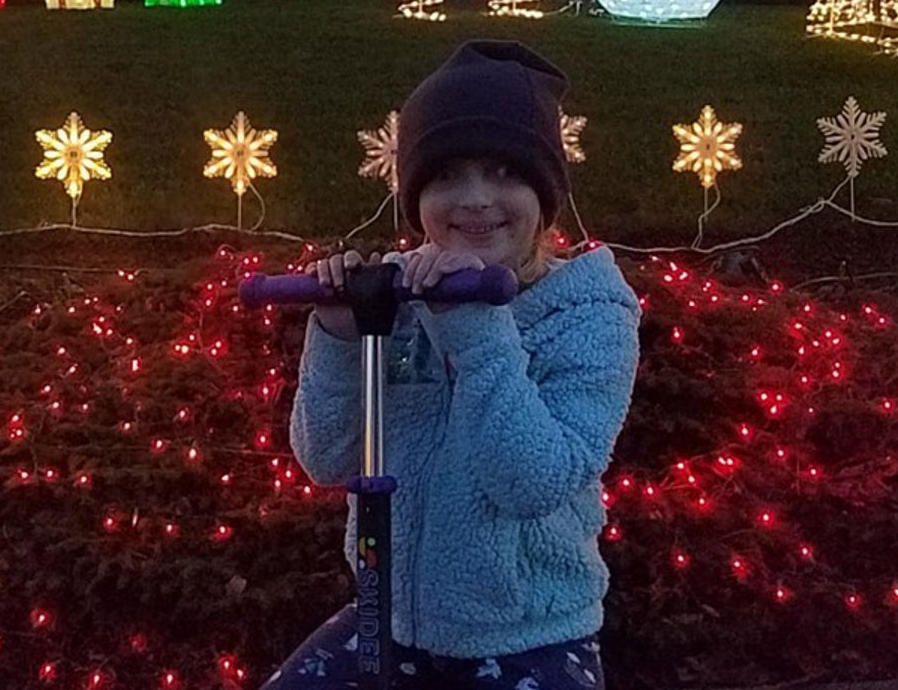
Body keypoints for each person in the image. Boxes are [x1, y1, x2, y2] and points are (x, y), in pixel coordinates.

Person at [268, 41, 642, 690]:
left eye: (503, 171)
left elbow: (532, 482)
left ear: (545, 191)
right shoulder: (400, 296)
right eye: (444, 176)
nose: (474, 199)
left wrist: (476, 331)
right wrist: (338, 335)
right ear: (415, 195)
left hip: (529, 635)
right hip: (389, 619)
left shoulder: (590, 316)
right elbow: (327, 459)